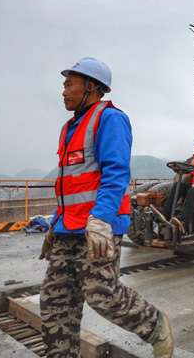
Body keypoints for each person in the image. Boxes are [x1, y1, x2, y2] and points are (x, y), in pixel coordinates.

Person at [38, 57, 173, 358]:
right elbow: (69, 185)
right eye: (63, 85)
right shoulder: (68, 128)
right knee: (55, 302)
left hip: (98, 228)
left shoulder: (109, 119)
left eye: (69, 84)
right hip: (67, 228)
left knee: (102, 293)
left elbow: (116, 174)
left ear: (91, 86)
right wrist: (54, 226)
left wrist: (100, 220)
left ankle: (155, 325)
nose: (63, 91)